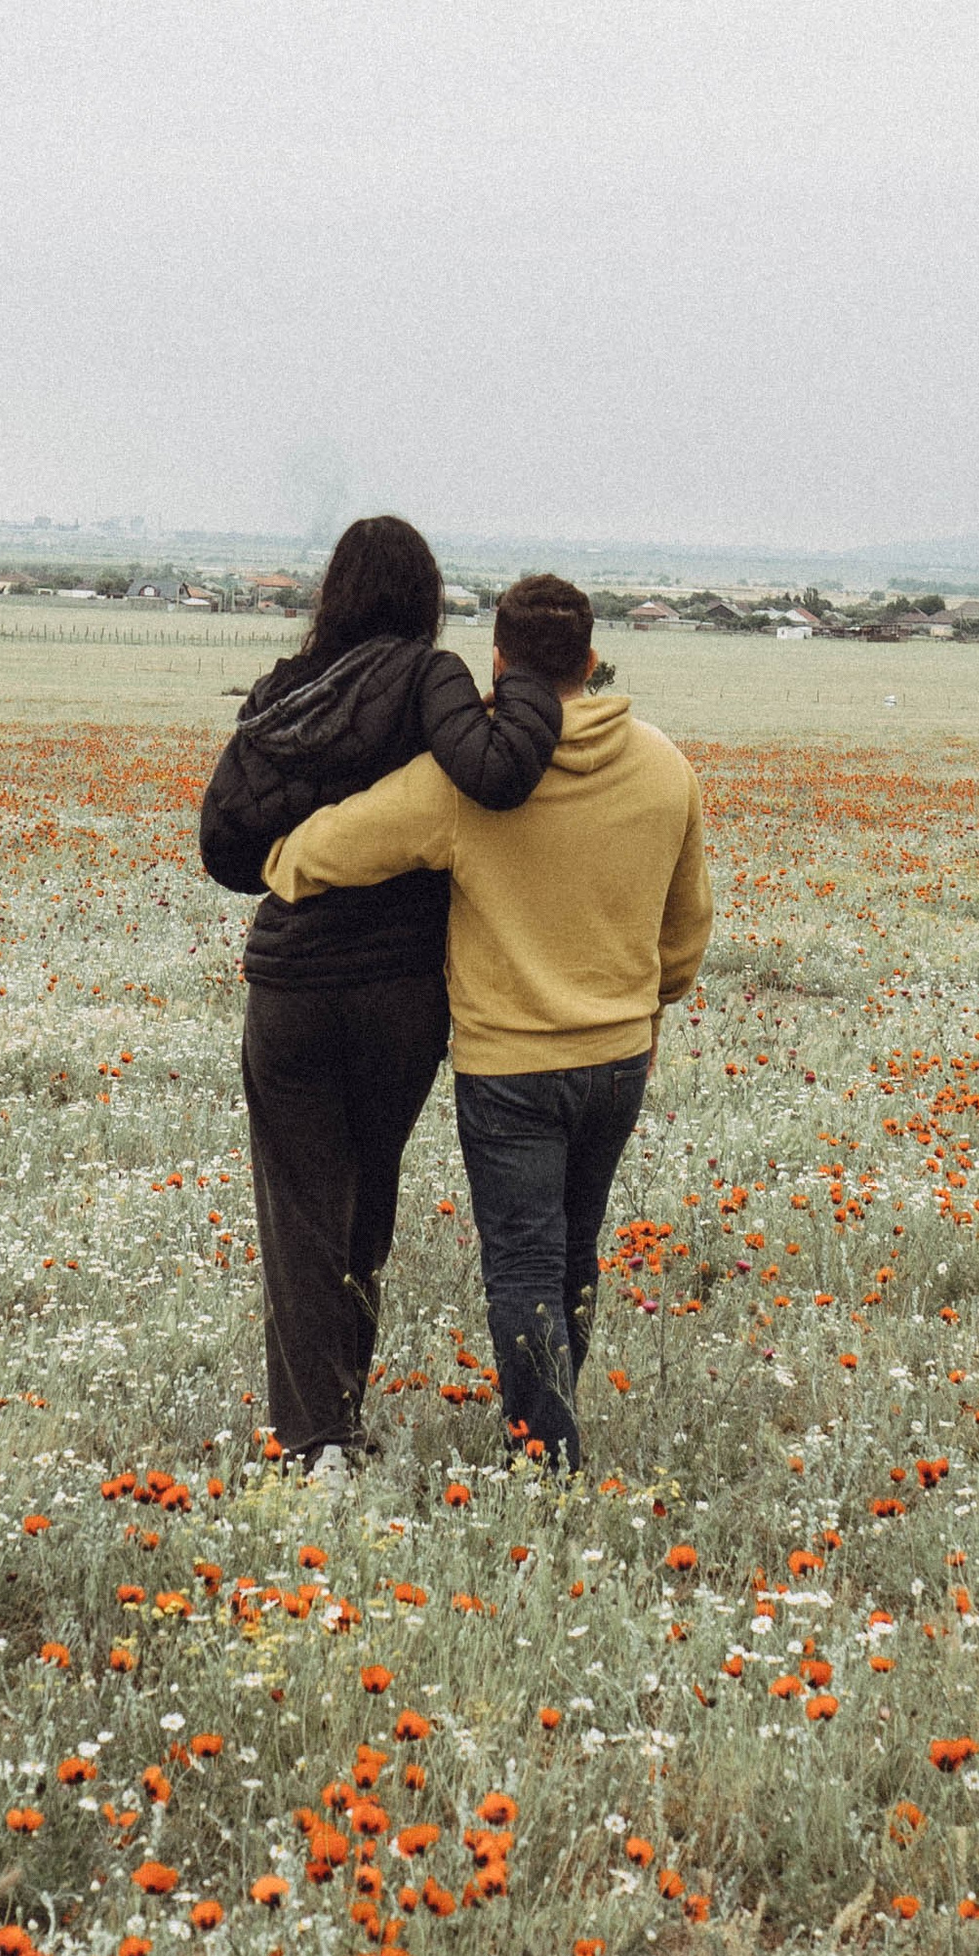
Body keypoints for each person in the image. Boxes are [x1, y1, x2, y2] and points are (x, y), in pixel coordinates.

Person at [262, 571, 710, 1473]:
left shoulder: (463, 787)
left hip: (509, 1067)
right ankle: (548, 1431)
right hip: (619, 1055)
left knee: (522, 1266)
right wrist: (652, 1007)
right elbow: (686, 927)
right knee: (574, 1254)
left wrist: (279, 856)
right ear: (591, 659)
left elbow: (331, 847)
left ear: (497, 664)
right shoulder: (666, 765)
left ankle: (547, 1456)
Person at [200, 515, 563, 1480]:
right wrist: (532, 678)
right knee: (365, 1203)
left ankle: (315, 1440)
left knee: (299, 1210)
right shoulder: (427, 675)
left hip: (291, 988)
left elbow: (221, 848)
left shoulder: (286, 690)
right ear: (422, 595)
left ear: (335, 591)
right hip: (399, 993)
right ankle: (334, 1429)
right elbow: (494, 774)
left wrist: (305, 840)